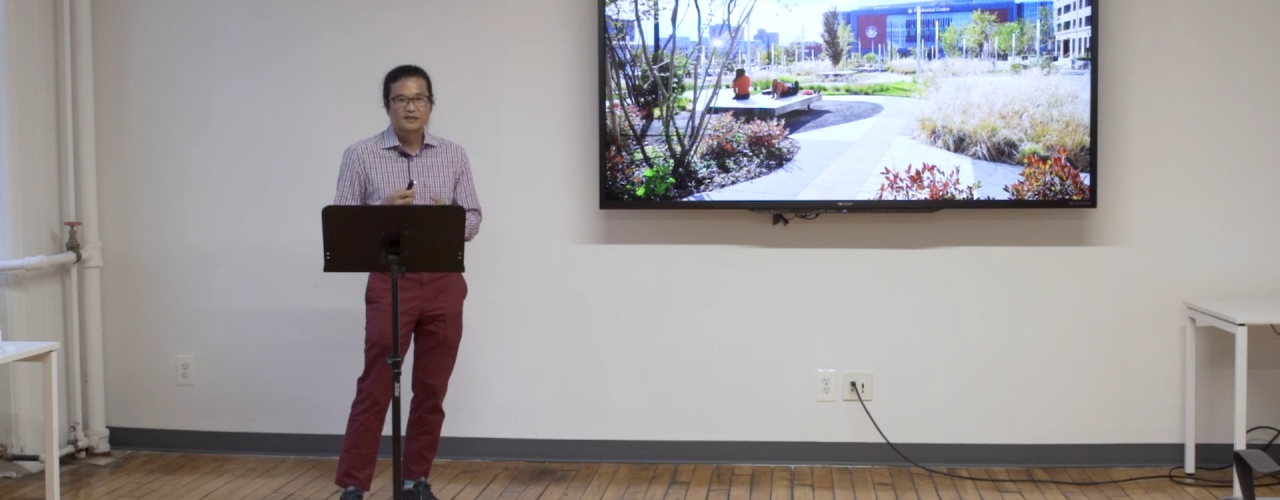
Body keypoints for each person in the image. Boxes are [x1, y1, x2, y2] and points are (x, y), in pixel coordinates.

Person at [331, 64, 482, 500]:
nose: (410, 107)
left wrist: (447, 221)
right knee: (376, 384)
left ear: (431, 105)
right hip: (390, 279)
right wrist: (381, 209)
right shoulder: (361, 155)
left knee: (432, 388)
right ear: (387, 105)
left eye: (419, 99)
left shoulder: (454, 154)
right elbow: (343, 222)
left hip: (443, 280)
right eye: (401, 99)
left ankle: (416, 480)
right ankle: (353, 484)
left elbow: (474, 216)